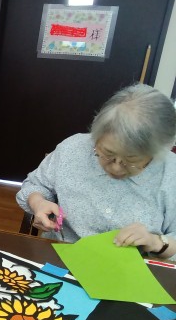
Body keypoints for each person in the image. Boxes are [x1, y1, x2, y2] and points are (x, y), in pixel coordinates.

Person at [16, 83, 176, 261]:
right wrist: (38, 203)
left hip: (135, 268)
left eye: (131, 161)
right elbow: (35, 185)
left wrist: (156, 242)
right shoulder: (72, 148)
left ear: (157, 152)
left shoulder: (171, 173)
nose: (116, 168)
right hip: (62, 257)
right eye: (107, 154)